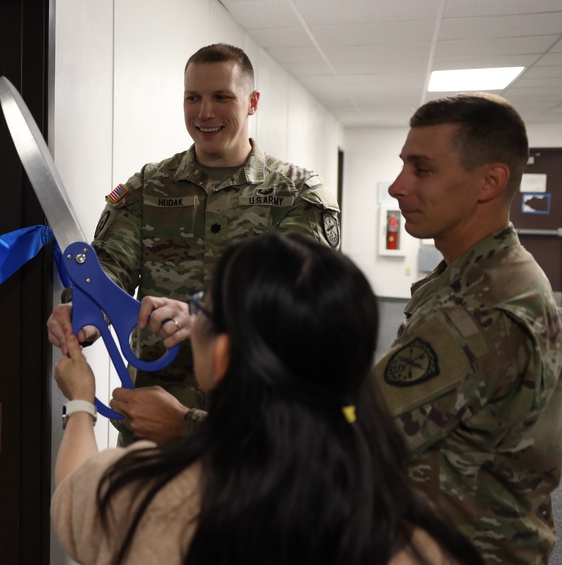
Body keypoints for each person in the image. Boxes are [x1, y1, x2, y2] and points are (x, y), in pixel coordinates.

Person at [51, 232, 484, 565]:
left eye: (201, 306)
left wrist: (82, 403)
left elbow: (73, 494)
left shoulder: (140, 493)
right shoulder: (420, 537)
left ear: (221, 356)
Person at [47, 43, 341, 444]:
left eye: (222, 97)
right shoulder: (149, 187)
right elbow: (108, 268)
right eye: (193, 98)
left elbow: (302, 305)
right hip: (152, 421)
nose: (205, 113)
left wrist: (207, 317)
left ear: (252, 102)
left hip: (252, 428)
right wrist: (82, 310)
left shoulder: (297, 194)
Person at [372, 93, 562, 564]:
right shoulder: (481, 271)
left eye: (422, 169)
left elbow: (352, 431)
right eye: (403, 166)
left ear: (489, 181)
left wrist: (187, 426)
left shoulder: (484, 307)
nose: (398, 187)